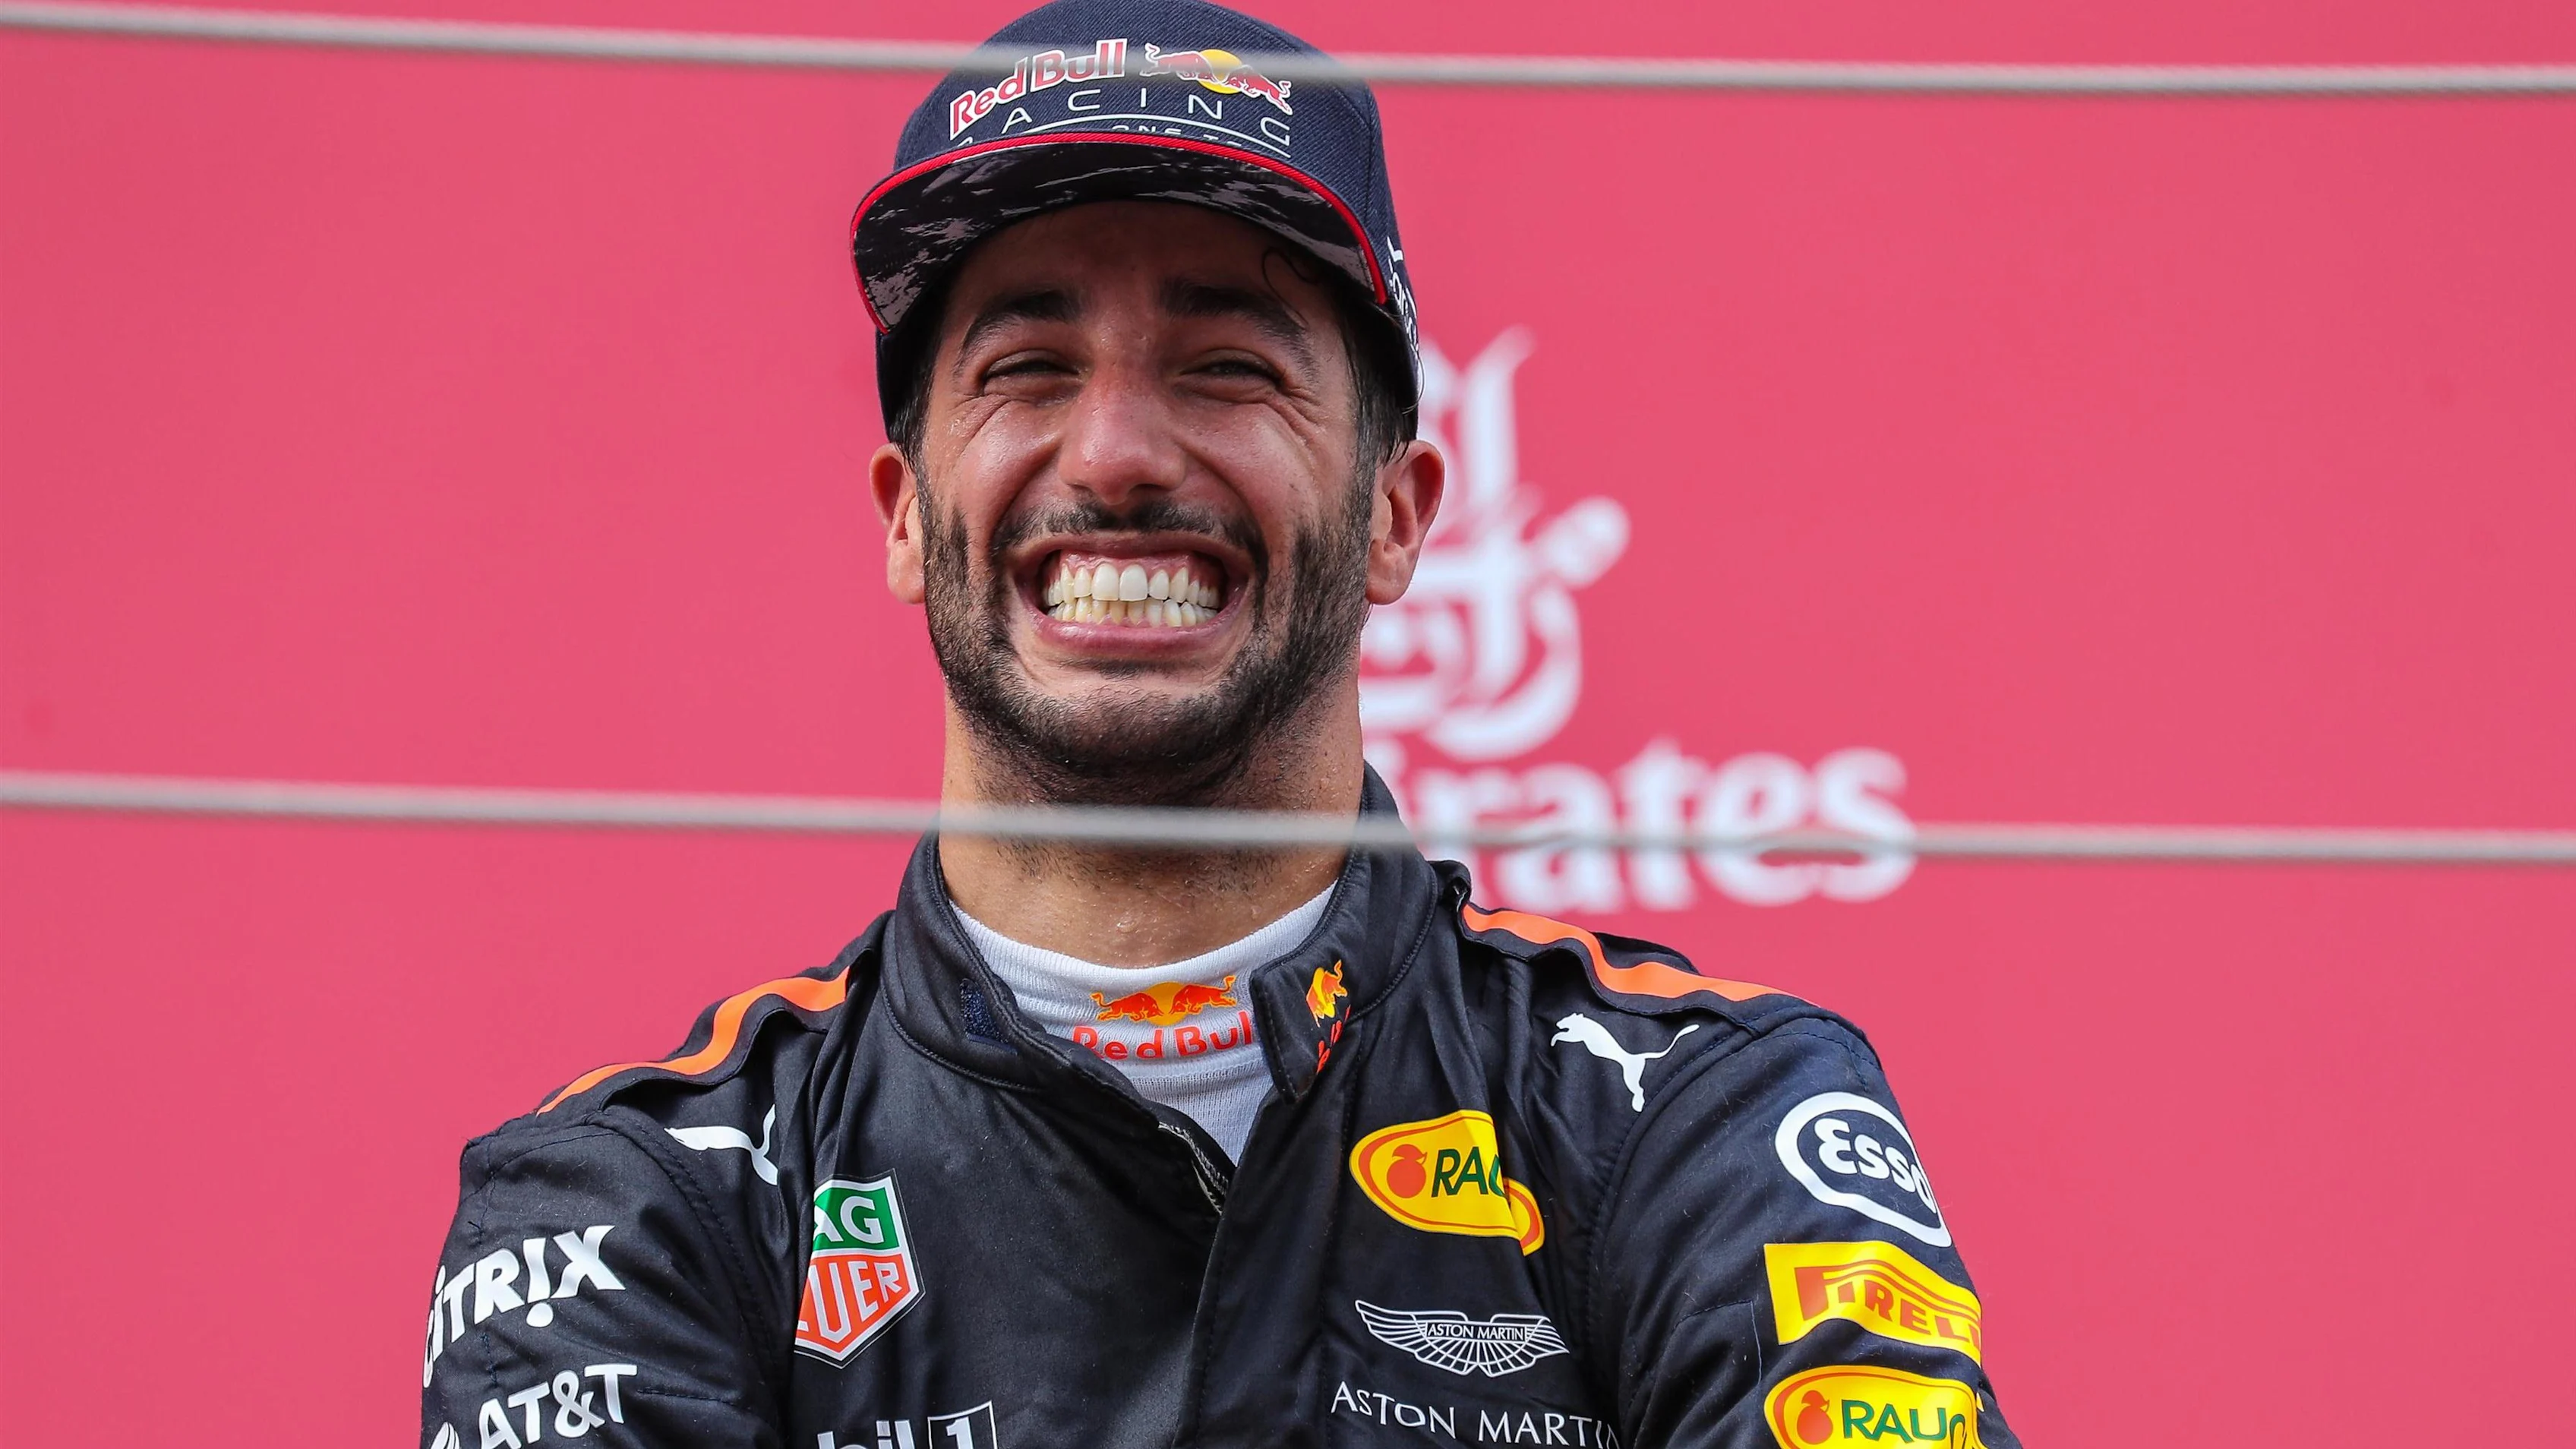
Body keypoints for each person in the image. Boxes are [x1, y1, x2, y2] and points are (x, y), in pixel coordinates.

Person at [419, 2, 2019, 1444]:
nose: (1114, 453)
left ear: (1399, 516)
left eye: (1229, 367)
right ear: (906, 516)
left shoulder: (1694, 1115)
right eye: (1028, 365)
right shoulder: (639, 1199)